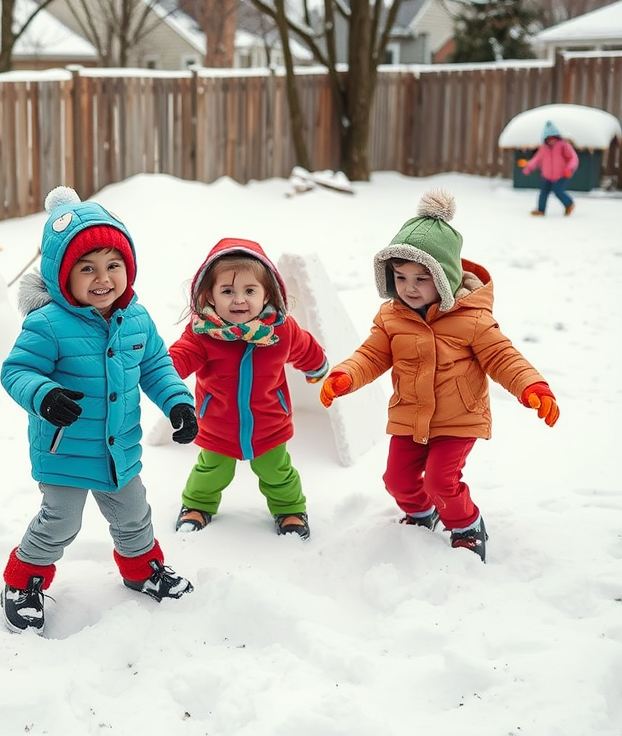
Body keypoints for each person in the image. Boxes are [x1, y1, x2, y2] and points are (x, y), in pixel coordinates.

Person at [318, 188, 560, 563]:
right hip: (411, 415)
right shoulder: (391, 317)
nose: (409, 288)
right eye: (400, 277)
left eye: (421, 279)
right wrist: (346, 376)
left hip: (458, 419)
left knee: (440, 481)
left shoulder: (473, 319)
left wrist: (532, 387)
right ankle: (421, 513)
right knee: (396, 480)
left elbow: (502, 355)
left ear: (444, 278)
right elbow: (371, 354)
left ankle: (466, 525)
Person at [0, 185, 198, 636]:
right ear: (61, 276)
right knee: (60, 521)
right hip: (65, 449)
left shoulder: (137, 318)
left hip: (119, 450)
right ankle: (23, 581)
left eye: (114, 265)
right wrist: (44, 395)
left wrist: (178, 402)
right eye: (86, 268)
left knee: (134, 513)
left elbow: (156, 366)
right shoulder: (47, 323)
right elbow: (17, 371)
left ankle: (142, 569)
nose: (102, 278)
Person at [168, 239, 329, 540]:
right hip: (216, 422)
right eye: (227, 291)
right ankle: (197, 505)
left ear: (267, 293)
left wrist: (316, 366)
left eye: (249, 291)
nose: (239, 300)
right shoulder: (202, 333)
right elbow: (180, 357)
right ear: (210, 295)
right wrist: (162, 375)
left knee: (277, 472)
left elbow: (304, 348)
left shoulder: (281, 329)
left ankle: (290, 509)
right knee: (211, 471)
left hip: (269, 422)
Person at [518, 119, 579, 217]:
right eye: (549, 139)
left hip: (562, 174)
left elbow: (573, 158)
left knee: (558, 190)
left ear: (558, 137)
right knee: (543, 192)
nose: (551, 141)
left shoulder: (564, 146)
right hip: (547, 175)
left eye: (554, 138)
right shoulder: (543, 149)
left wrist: (569, 169)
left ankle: (569, 204)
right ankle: (541, 210)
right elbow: (537, 160)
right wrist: (528, 167)